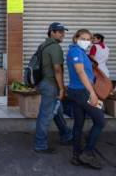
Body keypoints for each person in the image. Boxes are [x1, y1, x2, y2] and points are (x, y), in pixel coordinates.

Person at [67, 29, 105, 169]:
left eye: (89, 39)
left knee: (79, 124)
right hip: (82, 92)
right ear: (76, 38)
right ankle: (87, 152)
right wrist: (92, 93)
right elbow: (80, 72)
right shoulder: (75, 51)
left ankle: (76, 156)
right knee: (100, 121)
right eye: (83, 38)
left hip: (76, 92)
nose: (86, 41)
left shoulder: (81, 52)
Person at [34, 22, 73, 154]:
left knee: (58, 111)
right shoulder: (55, 47)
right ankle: (40, 144)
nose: (63, 34)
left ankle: (66, 135)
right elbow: (57, 70)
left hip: (43, 83)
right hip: (50, 84)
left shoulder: (43, 45)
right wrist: (62, 89)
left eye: (63, 32)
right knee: (45, 115)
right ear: (52, 32)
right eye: (59, 31)